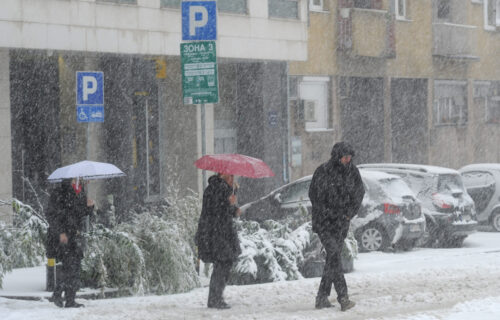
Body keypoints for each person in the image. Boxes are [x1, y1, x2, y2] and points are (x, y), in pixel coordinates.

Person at [308, 142, 365, 311]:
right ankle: (343, 298)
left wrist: (349, 213)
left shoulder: (353, 172)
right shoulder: (323, 171)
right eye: (345, 157)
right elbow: (313, 194)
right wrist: (326, 212)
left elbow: (359, 193)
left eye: (350, 157)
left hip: (341, 222)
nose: (348, 160)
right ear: (337, 157)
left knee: (332, 259)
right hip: (324, 222)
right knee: (334, 255)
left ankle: (321, 297)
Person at [195, 173, 241, 309]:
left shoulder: (218, 188)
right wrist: (230, 203)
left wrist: (234, 210)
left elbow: (222, 210)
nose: (232, 179)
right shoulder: (218, 188)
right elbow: (217, 210)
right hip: (218, 233)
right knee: (223, 264)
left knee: (223, 264)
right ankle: (215, 299)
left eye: (233, 176)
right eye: (230, 176)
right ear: (222, 173)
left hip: (219, 232)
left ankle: (215, 297)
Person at [46, 178, 94, 308]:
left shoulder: (79, 192)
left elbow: (80, 214)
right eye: (79, 178)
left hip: (74, 236)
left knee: (74, 268)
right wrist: (60, 232)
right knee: (70, 268)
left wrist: (90, 207)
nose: (82, 181)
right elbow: (52, 215)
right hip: (62, 237)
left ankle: (69, 299)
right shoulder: (60, 192)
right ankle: (58, 294)